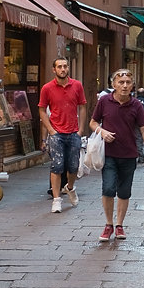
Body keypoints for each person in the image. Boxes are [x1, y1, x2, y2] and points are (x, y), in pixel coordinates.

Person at [87, 69, 144, 242]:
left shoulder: (136, 105)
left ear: (132, 85)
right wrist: (101, 132)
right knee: (108, 188)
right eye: (121, 82)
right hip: (108, 154)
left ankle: (119, 225)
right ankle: (108, 224)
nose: (124, 86)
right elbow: (93, 122)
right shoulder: (104, 101)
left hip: (129, 154)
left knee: (124, 192)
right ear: (113, 85)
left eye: (128, 83)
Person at [38, 56, 87, 213]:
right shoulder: (47, 88)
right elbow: (41, 110)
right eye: (59, 67)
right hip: (57, 133)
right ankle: (56, 199)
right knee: (57, 166)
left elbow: (83, 107)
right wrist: (51, 130)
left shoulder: (77, 86)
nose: (63, 69)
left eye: (65, 66)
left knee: (73, 166)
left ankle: (70, 188)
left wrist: (80, 130)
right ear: (54, 69)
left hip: (73, 132)